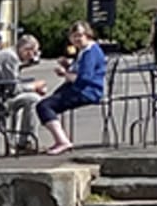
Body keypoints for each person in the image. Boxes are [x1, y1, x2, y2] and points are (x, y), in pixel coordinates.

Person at [37, 21, 106, 155]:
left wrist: (65, 74)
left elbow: (84, 78)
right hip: (81, 89)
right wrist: (68, 66)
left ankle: (63, 141)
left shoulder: (90, 53)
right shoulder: (84, 51)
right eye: (74, 36)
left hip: (87, 91)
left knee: (45, 106)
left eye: (80, 35)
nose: (77, 39)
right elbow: (78, 72)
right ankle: (60, 139)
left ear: (88, 35)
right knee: (50, 101)